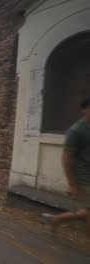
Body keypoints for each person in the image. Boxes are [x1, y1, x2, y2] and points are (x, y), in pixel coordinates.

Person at [41, 97, 90, 236]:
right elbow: (67, 157)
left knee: (87, 212)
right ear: (84, 109)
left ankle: (55, 219)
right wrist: (72, 184)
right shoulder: (76, 131)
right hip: (84, 178)